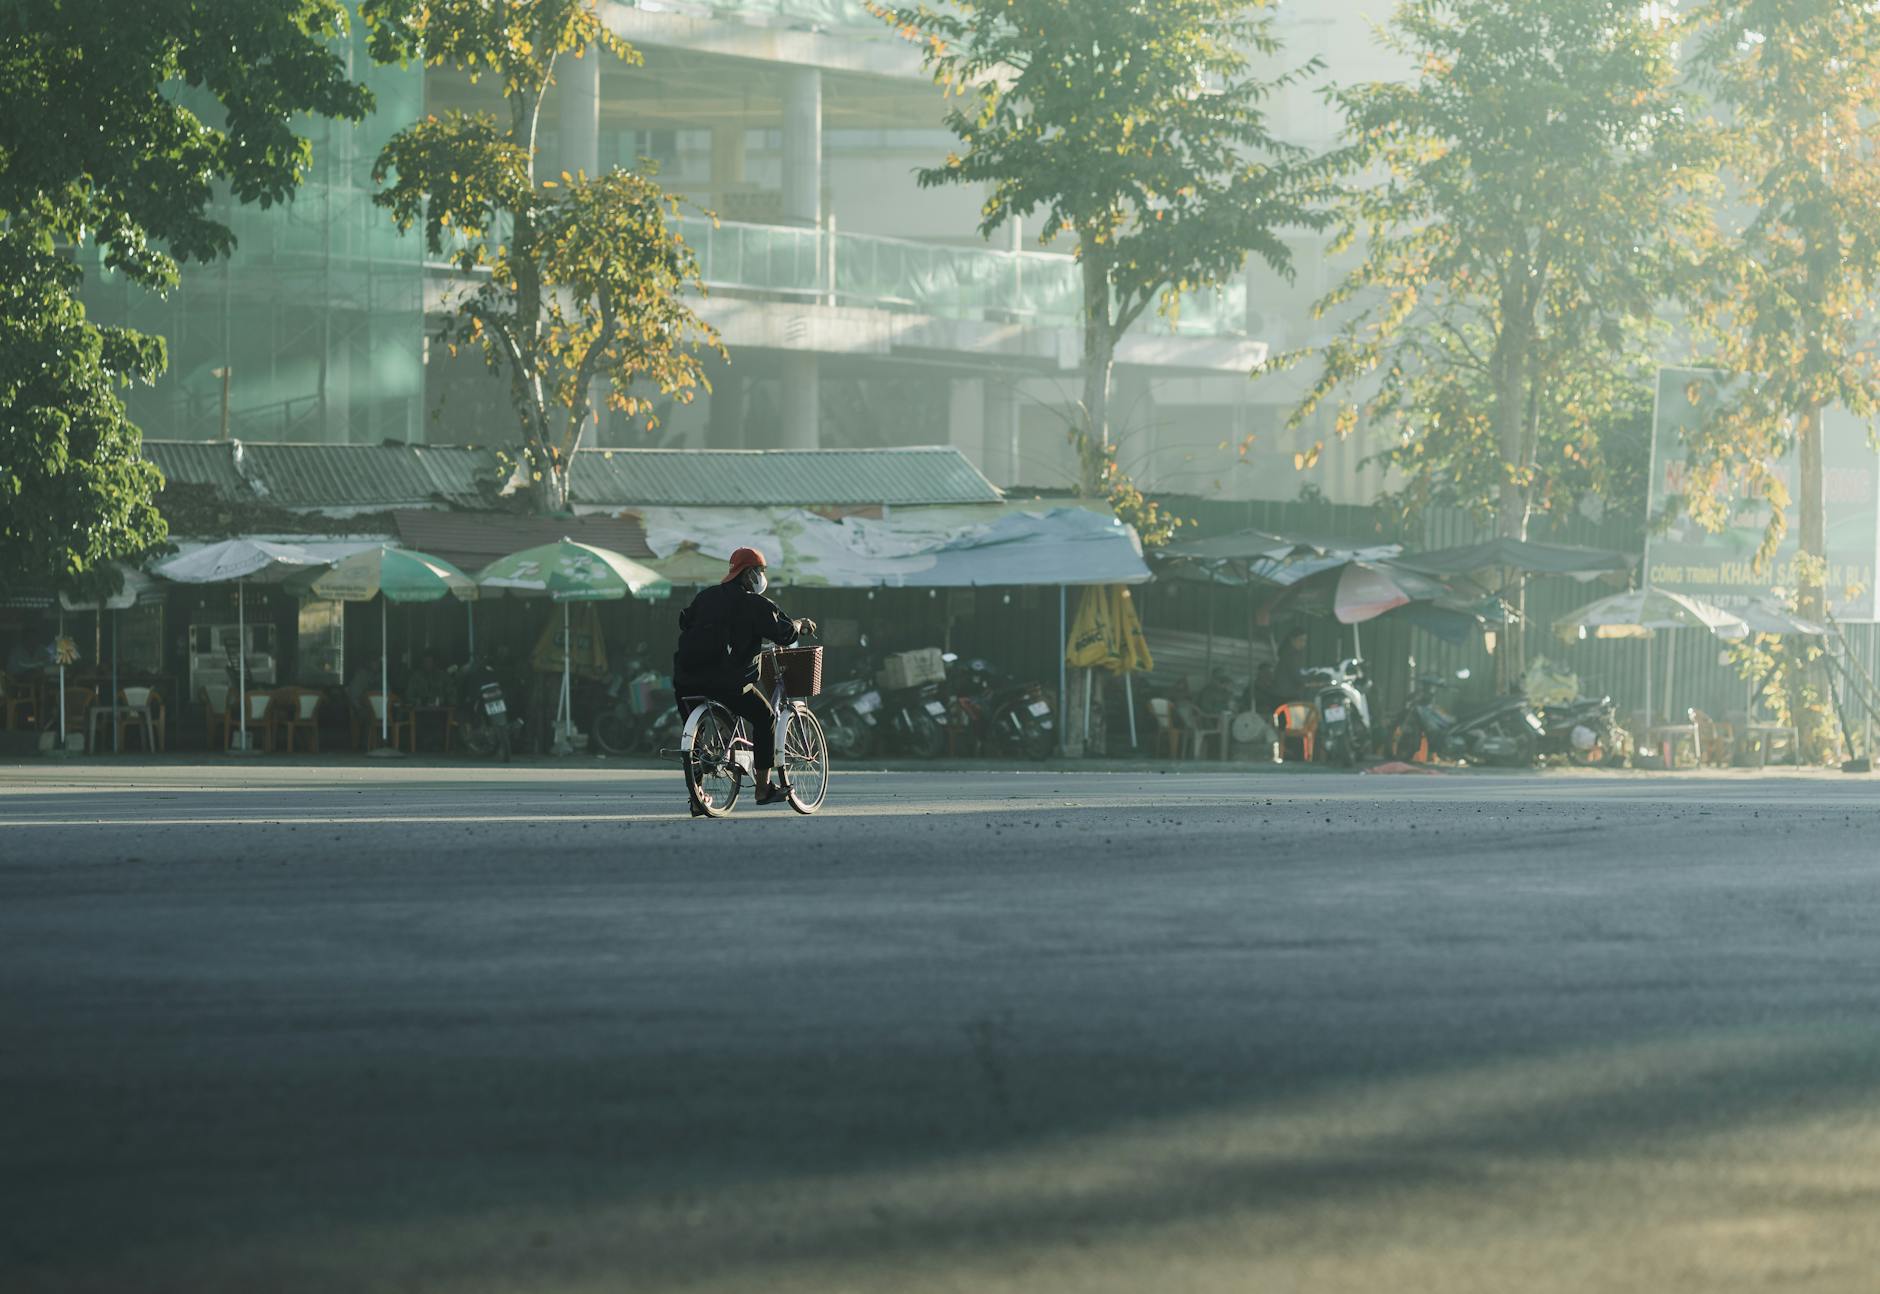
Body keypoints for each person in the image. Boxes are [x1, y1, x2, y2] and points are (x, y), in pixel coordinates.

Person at [672, 547, 816, 813]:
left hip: (686, 679)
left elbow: (686, 622)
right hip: (728, 681)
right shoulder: (755, 604)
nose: (762, 576)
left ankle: (697, 796)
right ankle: (763, 788)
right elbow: (783, 633)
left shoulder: (705, 597)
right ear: (749, 574)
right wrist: (800, 624)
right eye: (760, 571)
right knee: (765, 717)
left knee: (697, 738)